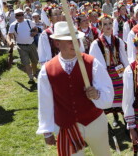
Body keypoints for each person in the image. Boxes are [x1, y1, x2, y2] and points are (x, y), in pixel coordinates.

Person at [36, 21, 114, 156]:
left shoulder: (91, 62)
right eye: (69, 40)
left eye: (76, 39)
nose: (75, 42)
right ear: (57, 43)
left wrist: (97, 94)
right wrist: (47, 130)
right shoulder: (47, 70)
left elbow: (107, 91)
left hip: (94, 121)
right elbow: (45, 102)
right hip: (67, 125)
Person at [89, 14, 129, 127]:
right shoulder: (96, 44)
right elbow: (96, 63)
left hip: (119, 72)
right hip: (106, 73)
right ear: (101, 27)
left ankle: (125, 118)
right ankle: (115, 117)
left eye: (110, 24)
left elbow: (123, 57)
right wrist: (103, 75)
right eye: (105, 24)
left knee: (122, 95)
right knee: (109, 95)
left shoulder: (118, 41)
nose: (108, 26)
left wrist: (128, 70)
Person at [8, 9, 39, 85]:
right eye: (18, 15)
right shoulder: (13, 25)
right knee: (26, 63)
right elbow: (9, 35)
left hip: (31, 44)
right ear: (15, 16)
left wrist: (34, 33)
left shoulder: (29, 22)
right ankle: (31, 78)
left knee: (35, 61)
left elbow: (36, 29)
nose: (21, 16)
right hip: (21, 47)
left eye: (22, 14)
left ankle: (34, 72)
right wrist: (10, 41)